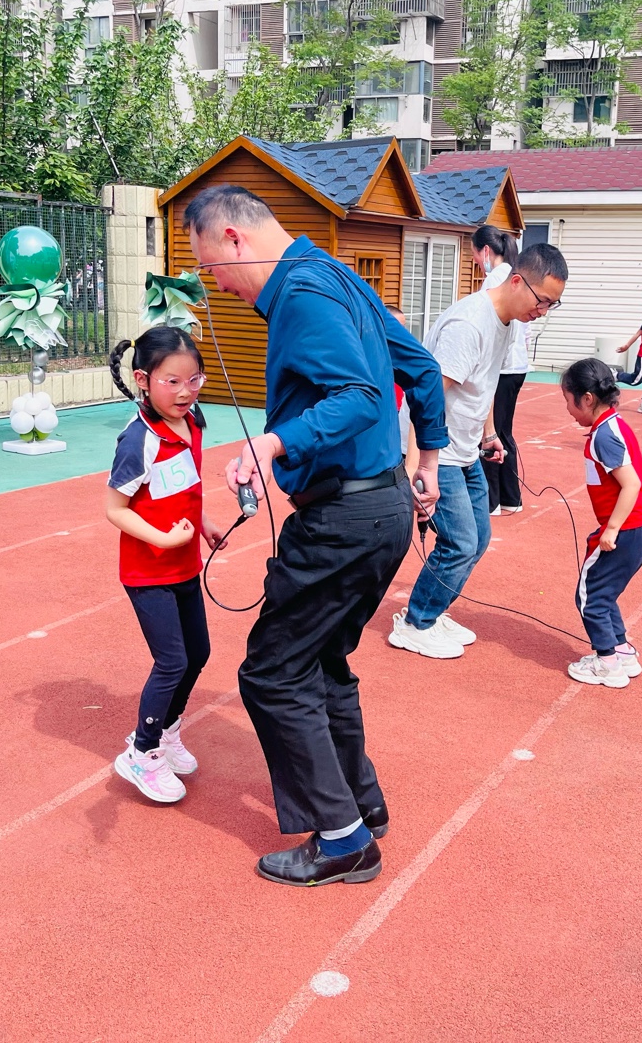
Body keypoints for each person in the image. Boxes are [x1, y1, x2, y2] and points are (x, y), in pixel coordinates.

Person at [185, 185, 448, 887]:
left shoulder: (302, 293)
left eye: (212, 268)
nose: (219, 286)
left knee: (272, 672)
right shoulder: (336, 274)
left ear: (236, 239)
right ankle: (363, 804)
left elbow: (360, 396)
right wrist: (427, 461)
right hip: (381, 506)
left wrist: (274, 442)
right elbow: (419, 369)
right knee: (321, 662)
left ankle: (343, 839)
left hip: (344, 521)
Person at [389, 243, 569, 660]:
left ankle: (434, 611)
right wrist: (417, 470)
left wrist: (489, 435)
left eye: (552, 305)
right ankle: (416, 623)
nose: (543, 311)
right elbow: (426, 398)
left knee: (480, 537)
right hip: (436, 451)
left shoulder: (508, 322)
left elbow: (483, 384)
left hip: (465, 447)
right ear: (517, 281)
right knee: (459, 543)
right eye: (543, 301)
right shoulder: (468, 326)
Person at [105, 327, 226, 805]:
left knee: (199, 653)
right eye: (171, 381)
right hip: (148, 572)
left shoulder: (192, 423)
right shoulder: (138, 438)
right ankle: (142, 751)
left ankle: (168, 729)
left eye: (193, 380)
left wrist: (204, 524)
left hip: (184, 565)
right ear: (143, 380)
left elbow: (185, 486)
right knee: (172, 661)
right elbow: (115, 509)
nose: (185, 391)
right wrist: (162, 538)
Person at [560, 358, 642, 688]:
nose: (568, 410)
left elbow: (631, 484)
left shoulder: (604, 436)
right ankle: (621, 651)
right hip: (640, 527)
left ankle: (607, 663)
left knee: (590, 596)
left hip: (627, 529)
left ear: (587, 399)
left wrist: (612, 528)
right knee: (604, 591)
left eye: (568, 401)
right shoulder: (612, 425)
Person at [474, 226, 526, 517]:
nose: (475, 261)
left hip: (502, 366)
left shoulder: (496, 278)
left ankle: (491, 500)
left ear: (485, 251)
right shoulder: (515, 274)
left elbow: (489, 323)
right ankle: (510, 497)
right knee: (504, 431)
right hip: (517, 365)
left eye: (473, 254)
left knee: (489, 431)